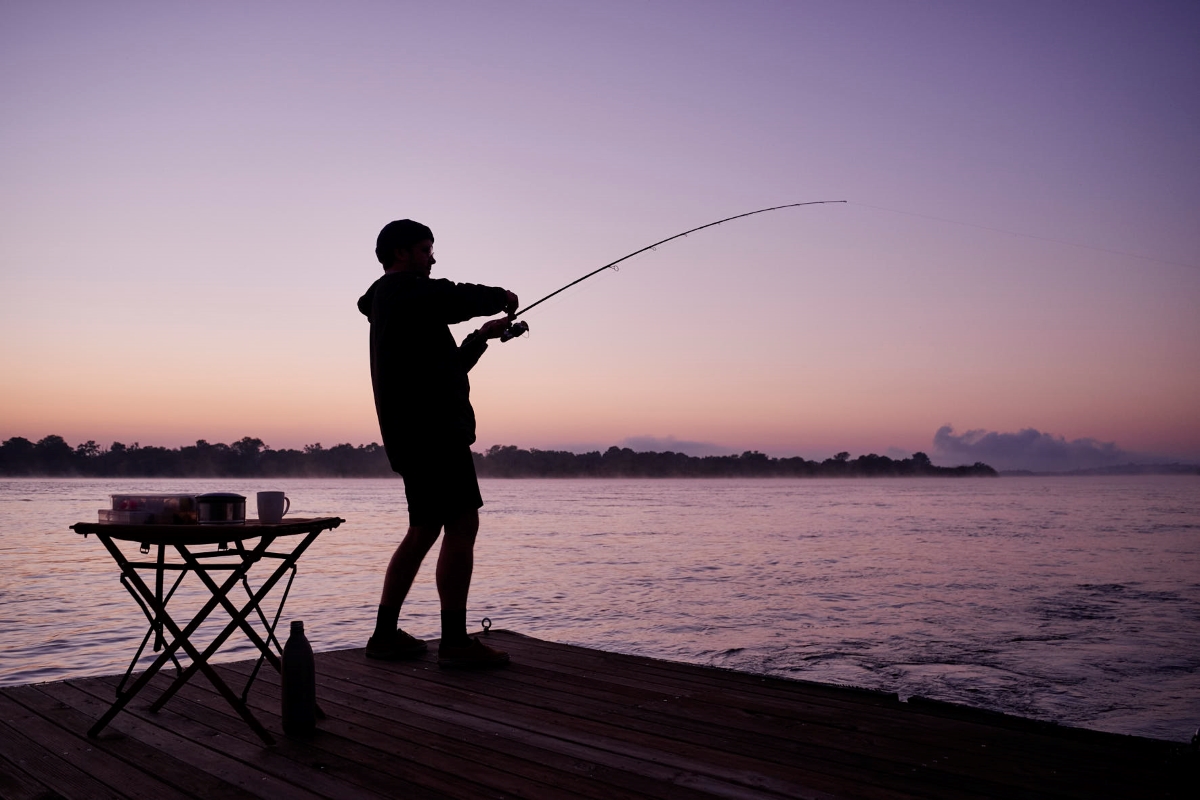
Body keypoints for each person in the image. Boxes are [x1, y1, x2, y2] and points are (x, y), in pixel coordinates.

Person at [357, 219, 517, 667]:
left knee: (424, 529)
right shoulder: (402, 292)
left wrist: (480, 338)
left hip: (415, 435)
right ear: (403, 253)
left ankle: (385, 635)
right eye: (427, 249)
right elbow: (453, 296)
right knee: (462, 525)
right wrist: (498, 295)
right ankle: (455, 642)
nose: (433, 257)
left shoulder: (402, 307)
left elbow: (446, 369)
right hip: (433, 435)